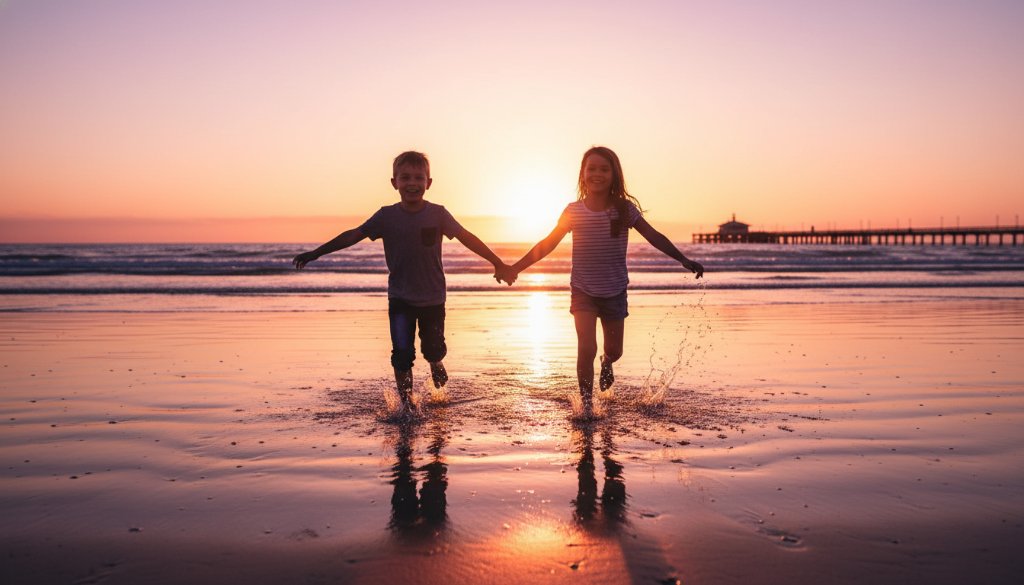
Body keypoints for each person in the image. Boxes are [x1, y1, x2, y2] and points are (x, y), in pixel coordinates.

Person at [293, 151, 513, 411]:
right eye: (405, 177)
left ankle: (435, 362)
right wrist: (316, 252)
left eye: (418, 178)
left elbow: (466, 237)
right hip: (400, 299)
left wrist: (497, 261)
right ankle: (407, 405)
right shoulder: (386, 216)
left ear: (428, 183)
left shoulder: (438, 214)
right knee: (402, 354)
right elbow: (354, 235)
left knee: (433, 348)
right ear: (394, 182)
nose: (412, 183)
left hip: (433, 298)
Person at [504, 146, 703, 416]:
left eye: (604, 169)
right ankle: (587, 406)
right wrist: (515, 267)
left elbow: (653, 236)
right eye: (592, 169)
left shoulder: (624, 210)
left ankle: (607, 363)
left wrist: (683, 258)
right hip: (583, 290)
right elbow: (548, 243)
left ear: (614, 175)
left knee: (614, 350)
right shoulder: (573, 211)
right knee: (586, 348)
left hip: (614, 291)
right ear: (583, 174)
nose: (597, 174)